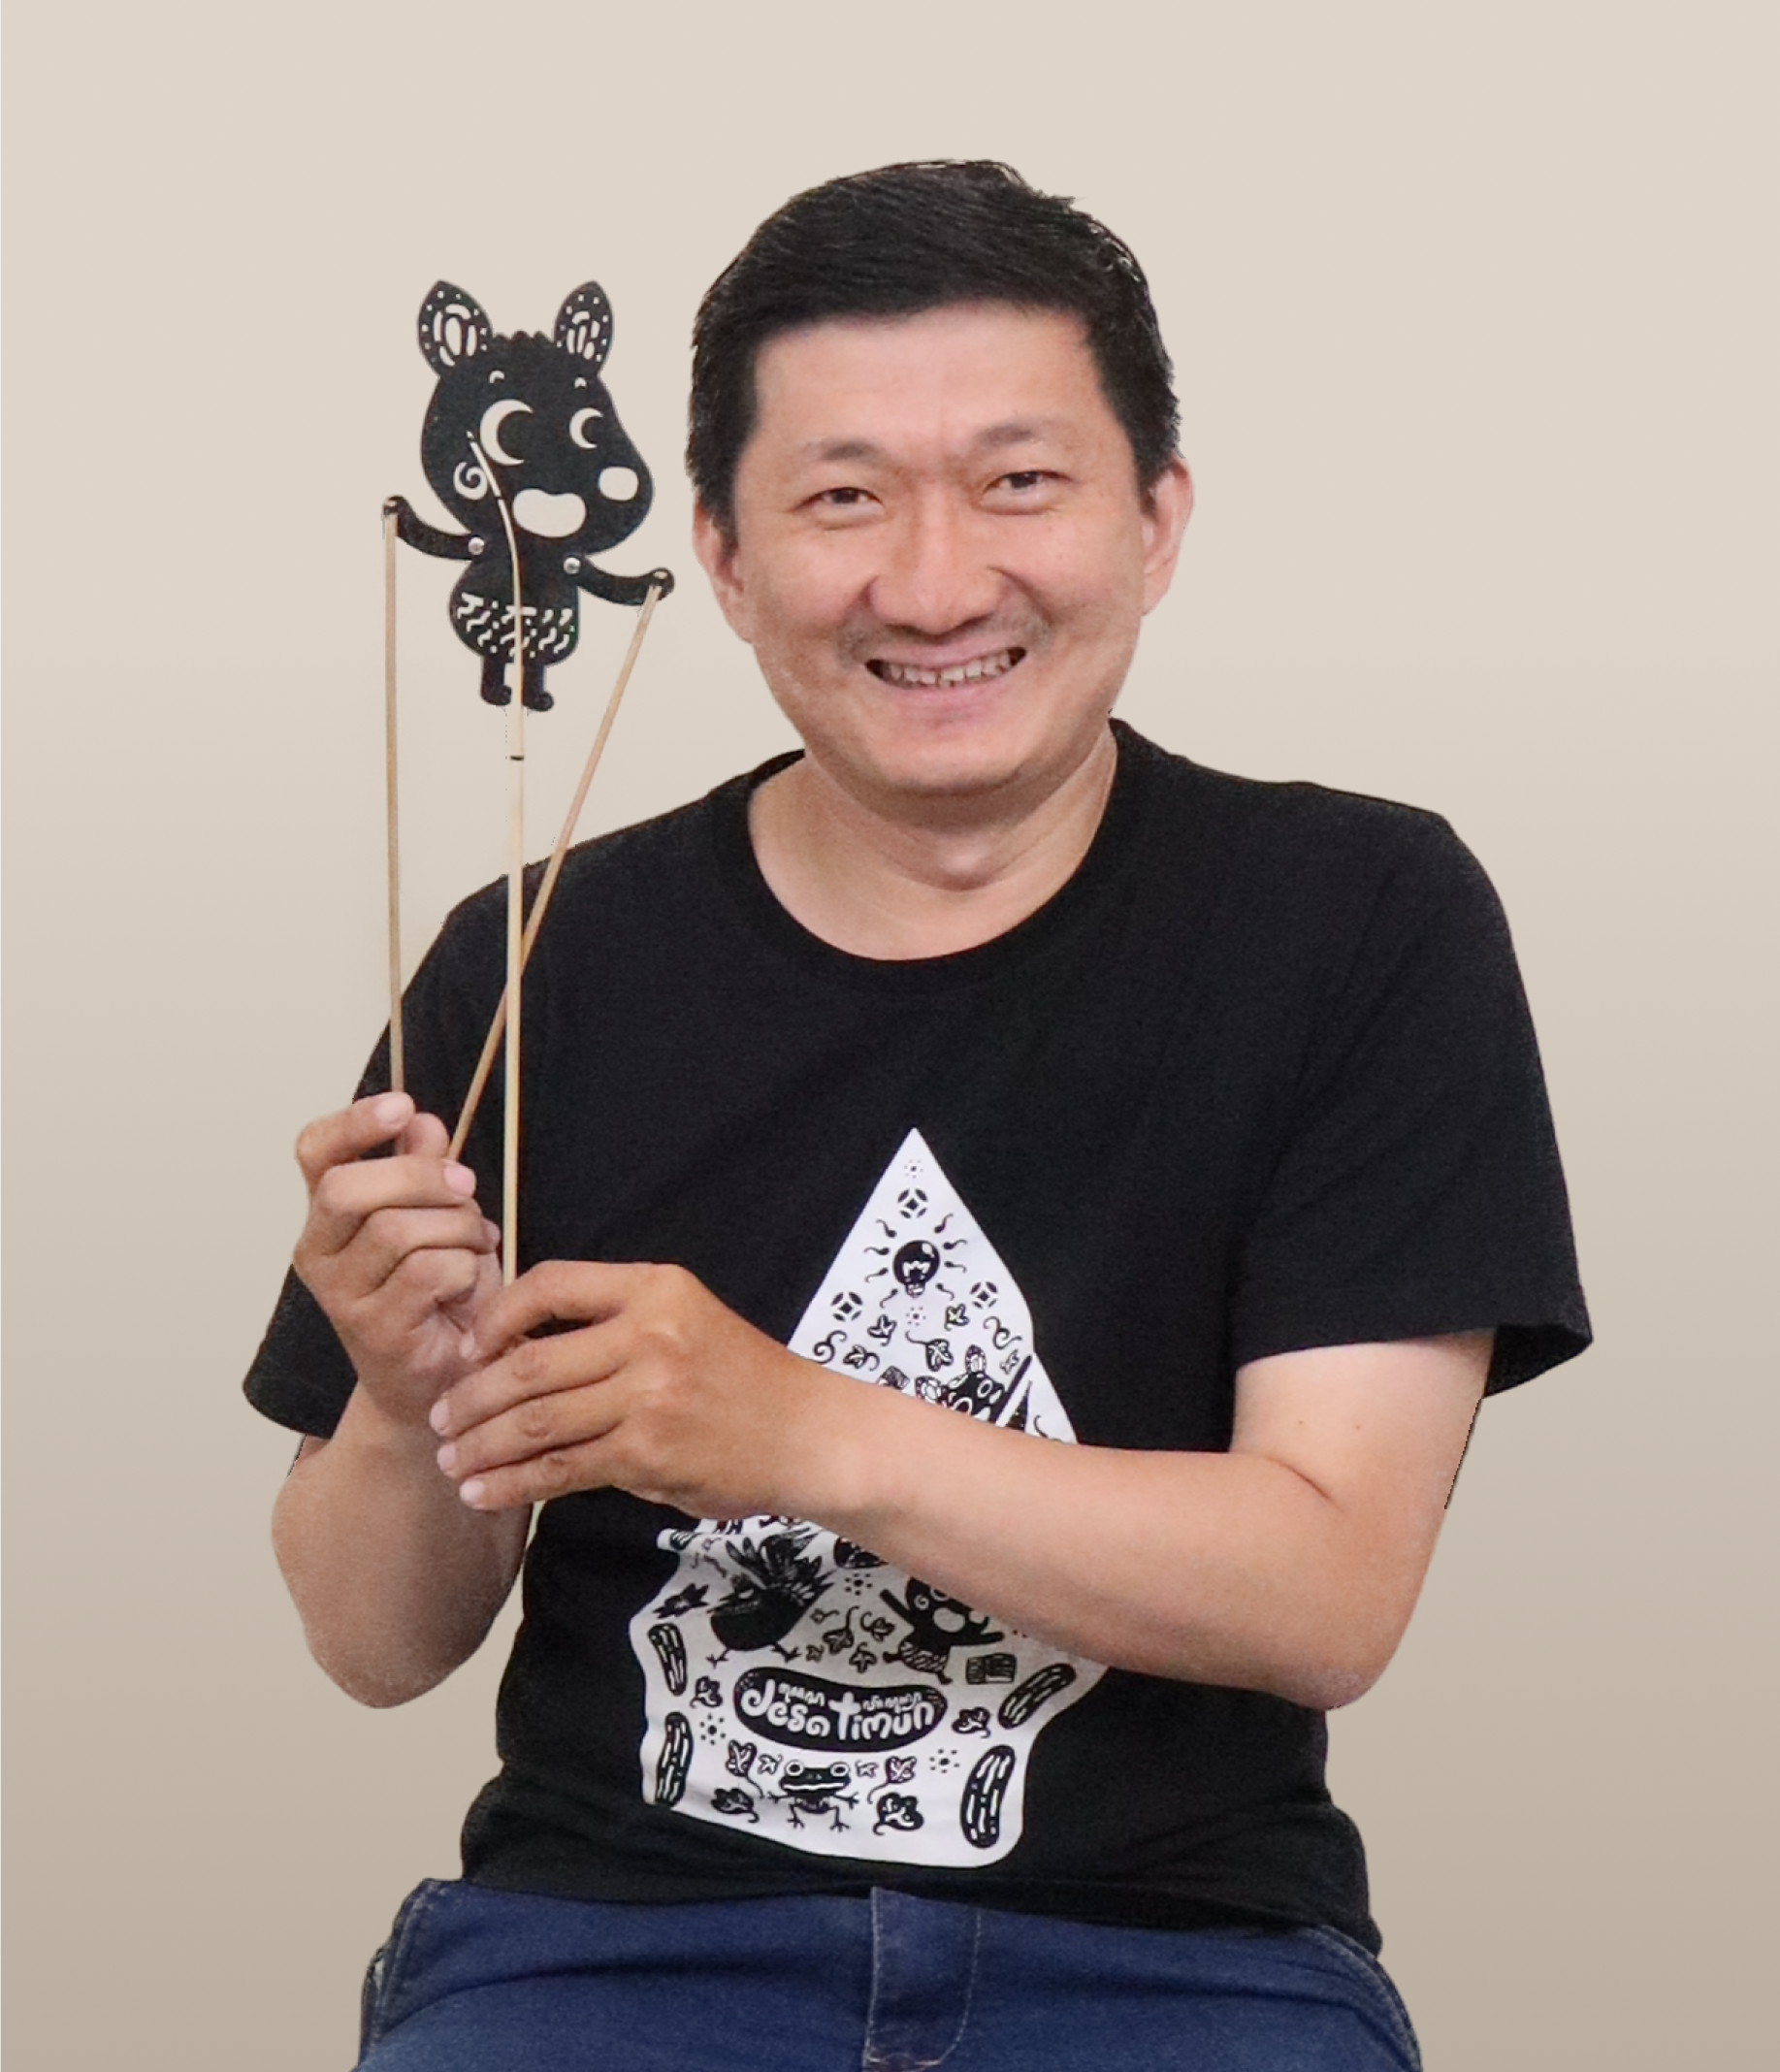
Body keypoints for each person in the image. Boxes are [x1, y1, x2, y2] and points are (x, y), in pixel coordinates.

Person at [247, 161, 1589, 2071]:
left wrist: (792, 1431)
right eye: (843, 497)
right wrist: (405, 1396)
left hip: (1174, 1961)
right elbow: (373, 1647)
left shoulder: (1355, 919)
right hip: (611, 1953)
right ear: (721, 558)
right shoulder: (536, 960)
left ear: (1155, 521)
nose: (938, 582)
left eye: (1018, 482)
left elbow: (1325, 1591)